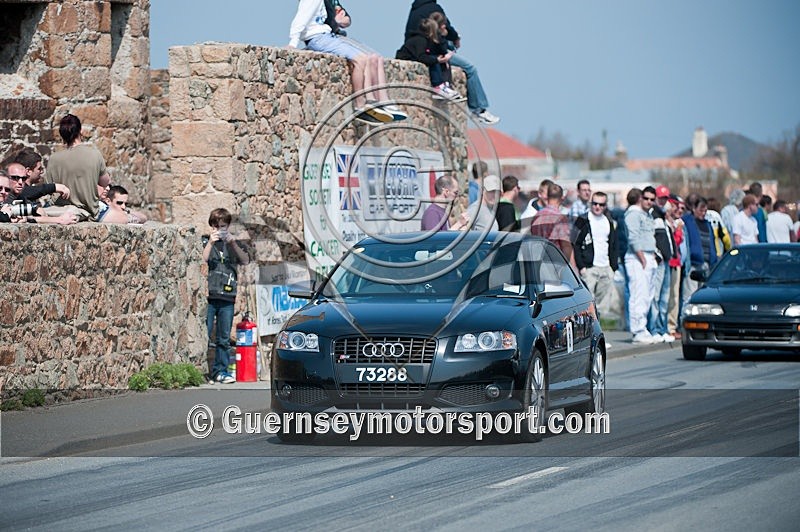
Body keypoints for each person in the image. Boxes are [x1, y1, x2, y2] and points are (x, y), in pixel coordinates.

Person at [289, 0, 406, 123]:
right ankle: (360, 106)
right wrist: (293, 43)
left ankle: (373, 102)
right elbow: (301, 18)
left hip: (326, 36)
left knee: (366, 59)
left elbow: (340, 17)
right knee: (360, 60)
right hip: (318, 38)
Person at [404, 0, 500, 125]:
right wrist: (456, 38)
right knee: (470, 69)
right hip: (428, 49)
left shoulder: (415, 10)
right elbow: (446, 28)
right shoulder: (434, 8)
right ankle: (478, 109)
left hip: (414, 47)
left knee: (447, 44)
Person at [203, 208, 249, 384]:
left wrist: (232, 243)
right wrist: (210, 242)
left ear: (228, 226)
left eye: (222, 226)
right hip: (210, 295)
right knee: (205, 334)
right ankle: (203, 370)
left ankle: (221, 371)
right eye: (216, 226)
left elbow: (245, 260)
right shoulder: (205, 241)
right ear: (211, 226)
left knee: (223, 337)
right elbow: (203, 259)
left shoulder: (234, 243)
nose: (219, 230)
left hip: (228, 296)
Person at [45, 114, 110, 221]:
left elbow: (48, 189)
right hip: (89, 210)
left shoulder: (53, 159)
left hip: (60, 210)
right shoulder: (94, 154)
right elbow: (105, 182)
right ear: (80, 130)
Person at [396, 14, 463, 101]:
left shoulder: (427, 40)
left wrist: (442, 37)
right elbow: (421, 56)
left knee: (438, 60)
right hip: (408, 58)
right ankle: (438, 87)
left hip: (416, 57)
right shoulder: (420, 40)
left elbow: (441, 50)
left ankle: (445, 86)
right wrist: (437, 60)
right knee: (434, 61)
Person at [573, 191, 619, 318]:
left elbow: (614, 245)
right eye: (595, 204)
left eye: (601, 204)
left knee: (602, 307)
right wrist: (581, 267)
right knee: (587, 305)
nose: (597, 207)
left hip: (606, 268)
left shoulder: (608, 222)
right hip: (589, 268)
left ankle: (599, 332)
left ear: (605, 206)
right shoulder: (582, 220)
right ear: (590, 204)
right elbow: (575, 245)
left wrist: (613, 268)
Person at [624, 188, 659, 344]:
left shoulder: (646, 214)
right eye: (646, 198)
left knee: (647, 296)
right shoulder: (633, 214)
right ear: (640, 198)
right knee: (639, 295)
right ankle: (637, 330)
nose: (649, 202)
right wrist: (642, 257)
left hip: (648, 256)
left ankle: (642, 328)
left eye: (652, 199)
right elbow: (633, 237)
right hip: (637, 257)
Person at [680, 196, 723, 310]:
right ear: (694, 208)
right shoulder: (687, 221)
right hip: (693, 264)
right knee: (689, 294)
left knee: (703, 295)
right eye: (701, 210)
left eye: (705, 211)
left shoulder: (707, 224)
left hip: (706, 264)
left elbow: (712, 242)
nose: (703, 213)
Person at [645, 186, 676, 342]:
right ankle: (654, 329)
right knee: (656, 298)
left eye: (665, 198)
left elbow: (668, 240)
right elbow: (652, 238)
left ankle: (663, 329)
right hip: (659, 262)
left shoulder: (663, 216)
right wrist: (657, 255)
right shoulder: (653, 215)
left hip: (666, 261)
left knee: (664, 298)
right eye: (660, 198)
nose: (662, 201)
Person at [530, 183, 577, 269]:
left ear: (547, 196)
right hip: (555, 265)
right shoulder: (560, 218)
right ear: (562, 198)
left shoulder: (536, 216)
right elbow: (566, 246)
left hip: (538, 263)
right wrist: (573, 269)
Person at [0, 172, 77, 225]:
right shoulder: (11, 202)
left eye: (7, 190)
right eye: (15, 178)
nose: (3, 192)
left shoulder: (8, 204)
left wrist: (59, 220)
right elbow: (27, 192)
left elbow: (33, 218)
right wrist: (5, 215)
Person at [5, 161, 70, 205]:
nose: (20, 182)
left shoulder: (21, 196)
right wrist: (54, 187)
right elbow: (27, 191)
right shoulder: (5, 196)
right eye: (15, 178)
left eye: (23, 178)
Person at [665, 195, 684, 339]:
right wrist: (677, 230)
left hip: (676, 262)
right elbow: (674, 241)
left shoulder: (676, 222)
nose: (676, 208)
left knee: (675, 297)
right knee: (669, 296)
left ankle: (672, 325)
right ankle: (668, 327)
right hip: (670, 262)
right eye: (674, 205)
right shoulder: (668, 223)